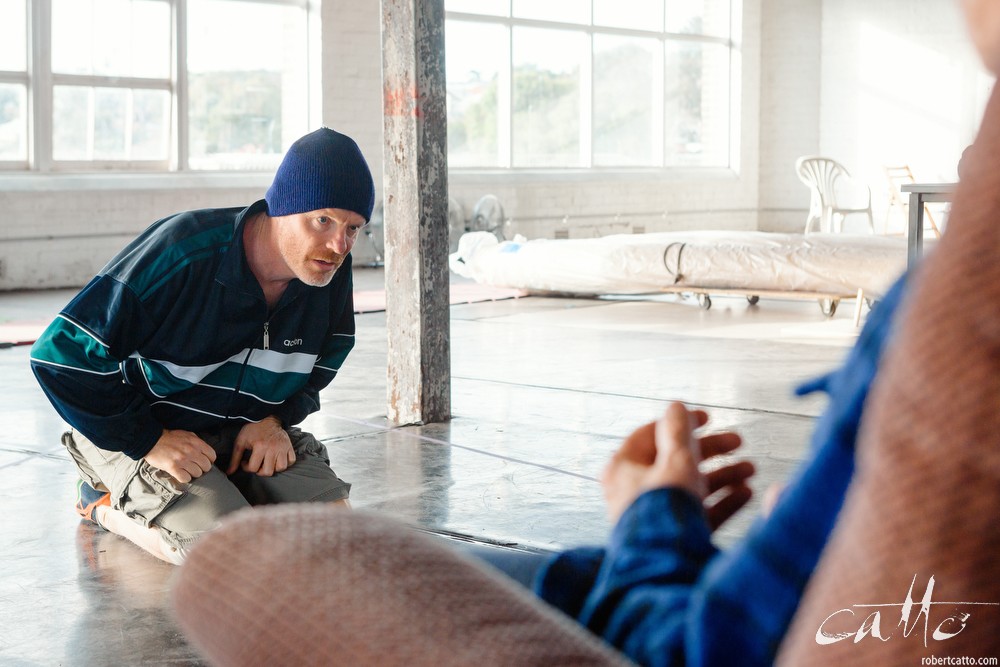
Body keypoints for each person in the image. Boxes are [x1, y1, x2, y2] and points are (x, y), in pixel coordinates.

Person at [30, 127, 375, 565]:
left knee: (341, 539)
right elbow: (59, 355)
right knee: (230, 557)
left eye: (353, 228)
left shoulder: (325, 271)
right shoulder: (182, 250)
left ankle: (228, 495)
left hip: (243, 429)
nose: (338, 245)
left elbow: (328, 356)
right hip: (145, 429)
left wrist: (276, 419)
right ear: (282, 208)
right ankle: (103, 504)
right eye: (322, 220)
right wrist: (148, 439)